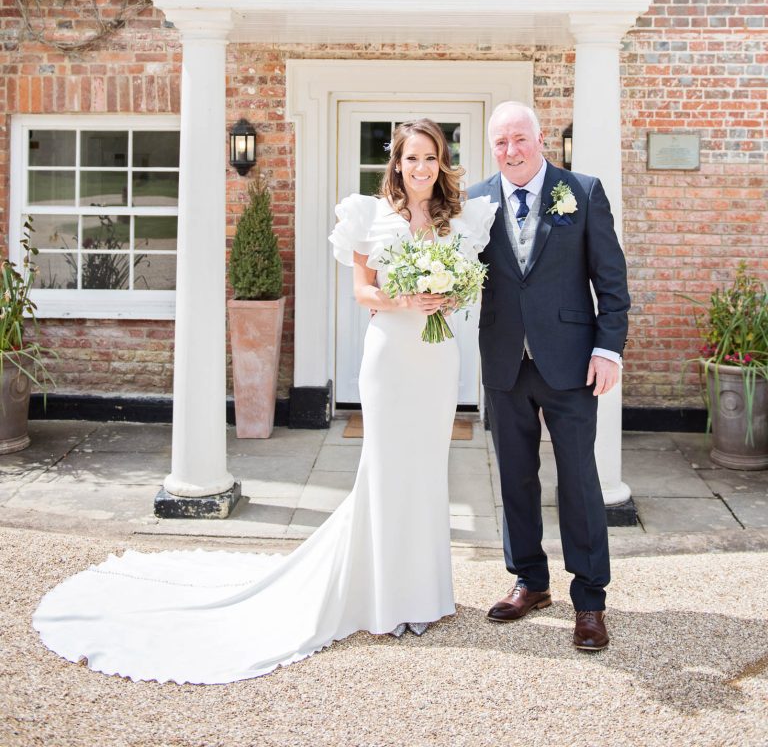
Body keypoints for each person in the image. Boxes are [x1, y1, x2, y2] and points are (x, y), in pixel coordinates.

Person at [33, 119, 496, 684]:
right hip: (391, 356)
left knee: (426, 469)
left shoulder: (458, 219)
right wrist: (405, 300)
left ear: (442, 162)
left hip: (438, 357)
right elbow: (362, 291)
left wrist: (447, 294)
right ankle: (385, 597)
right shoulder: (370, 215)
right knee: (386, 468)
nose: (421, 168)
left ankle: (425, 593)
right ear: (396, 164)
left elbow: (468, 285)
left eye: (430, 157)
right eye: (411, 158)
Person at [468, 101, 630, 652]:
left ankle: (590, 598)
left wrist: (608, 350)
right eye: (501, 142)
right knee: (514, 476)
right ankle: (530, 581)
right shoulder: (475, 202)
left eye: (520, 139)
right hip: (504, 361)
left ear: (541, 140)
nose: (511, 150)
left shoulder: (581, 191)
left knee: (579, 479)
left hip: (572, 361)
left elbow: (611, 281)